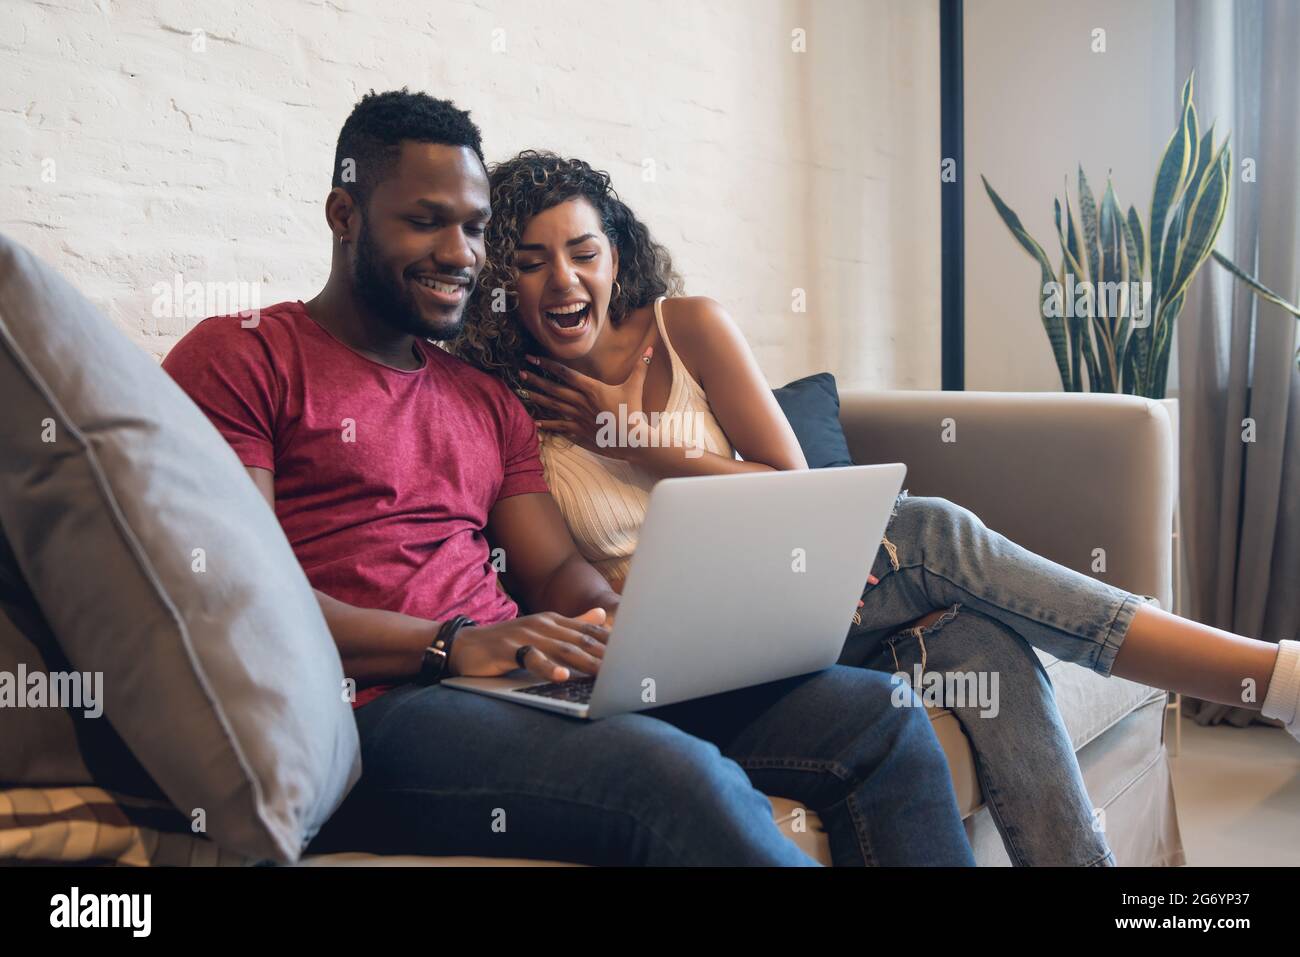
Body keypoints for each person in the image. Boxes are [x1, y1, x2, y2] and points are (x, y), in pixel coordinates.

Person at [161, 89, 976, 866]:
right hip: (375, 709)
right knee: (675, 778)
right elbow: (243, 597)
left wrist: (631, 628)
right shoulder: (245, 356)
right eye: (426, 222)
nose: (459, 254)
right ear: (344, 215)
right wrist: (450, 645)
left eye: (475, 228)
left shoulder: (482, 398)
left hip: (522, 678)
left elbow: (552, 568)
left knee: (881, 717)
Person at [448, 148, 1300, 866]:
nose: (564, 278)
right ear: (501, 278)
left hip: (796, 598)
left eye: (584, 251)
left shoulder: (688, 326)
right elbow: (558, 575)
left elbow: (792, 485)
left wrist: (635, 440)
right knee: (932, 534)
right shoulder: (502, 403)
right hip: (681, 642)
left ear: (615, 256)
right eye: (530, 259)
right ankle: (1268, 674)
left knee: (980, 642)